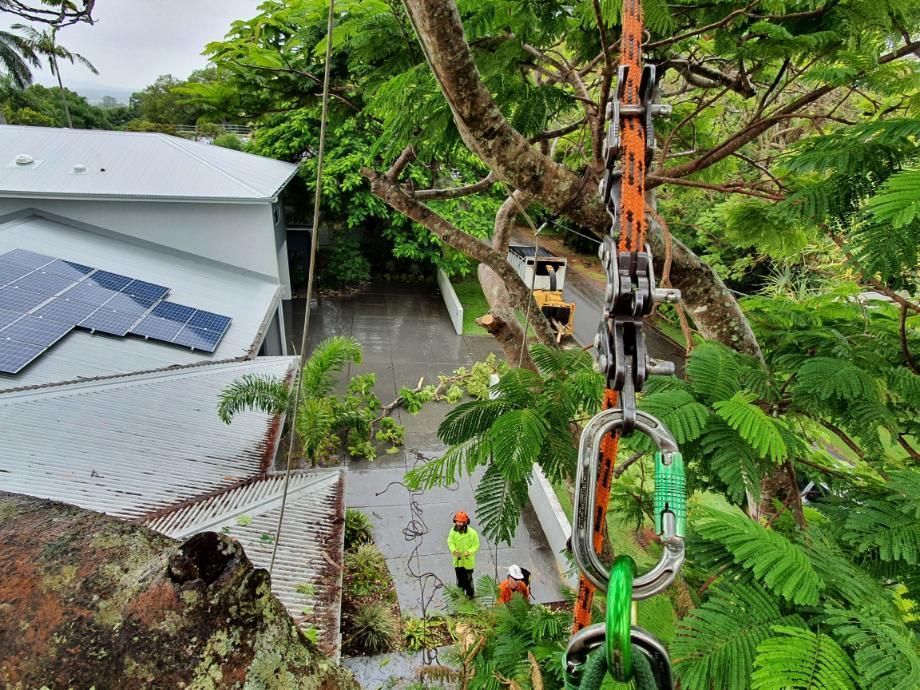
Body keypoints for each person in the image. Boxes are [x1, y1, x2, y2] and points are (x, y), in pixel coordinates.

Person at [447, 511, 479, 598]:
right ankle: (460, 594)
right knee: (459, 579)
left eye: (461, 522)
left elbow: (476, 545)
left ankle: (470, 594)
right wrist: (453, 550)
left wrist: (469, 552)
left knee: (468, 579)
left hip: (468, 562)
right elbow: (450, 542)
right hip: (458, 561)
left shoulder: (472, 533)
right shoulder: (452, 532)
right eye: (457, 521)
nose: (459, 523)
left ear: (465, 522)